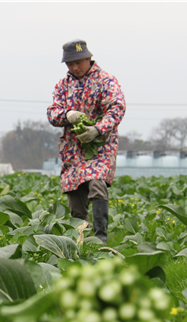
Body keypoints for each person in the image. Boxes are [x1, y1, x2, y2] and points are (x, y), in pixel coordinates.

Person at [47, 39, 126, 244]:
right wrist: (68, 114)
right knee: (75, 196)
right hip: (73, 150)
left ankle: (100, 239)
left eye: (78, 62)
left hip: (99, 147)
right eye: (70, 64)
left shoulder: (106, 80)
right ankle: (80, 241)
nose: (74, 67)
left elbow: (117, 108)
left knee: (97, 182)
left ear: (88, 58)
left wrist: (97, 129)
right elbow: (52, 113)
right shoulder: (63, 86)